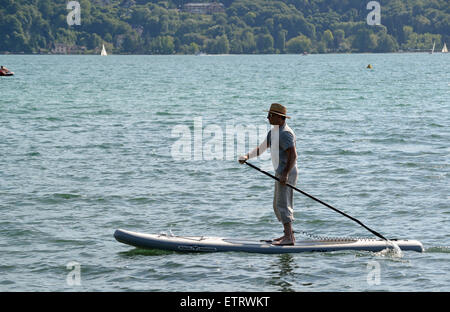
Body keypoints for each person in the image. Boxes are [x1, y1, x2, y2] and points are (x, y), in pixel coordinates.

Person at [239, 103, 298, 245]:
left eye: (270, 115)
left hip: (287, 172)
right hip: (280, 172)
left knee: (283, 204)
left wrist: (285, 174)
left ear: (280, 118)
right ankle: (288, 235)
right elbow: (262, 148)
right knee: (278, 204)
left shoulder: (285, 133)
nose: (267, 118)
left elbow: (293, 156)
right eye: (268, 115)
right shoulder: (273, 133)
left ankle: (289, 238)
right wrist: (247, 156)